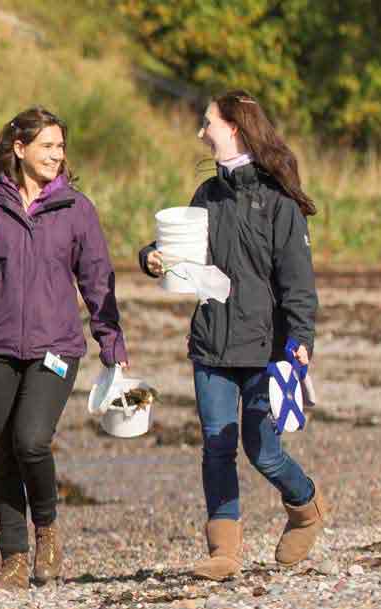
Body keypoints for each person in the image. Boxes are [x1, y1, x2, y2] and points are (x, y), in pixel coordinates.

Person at [0, 107, 128, 590]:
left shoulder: (77, 210)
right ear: (19, 149)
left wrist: (111, 341)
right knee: (2, 453)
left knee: (30, 440)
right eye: (47, 145)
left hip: (57, 347)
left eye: (60, 147)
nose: (56, 155)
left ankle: (47, 529)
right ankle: (13, 559)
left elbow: (97, 279)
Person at [139, 90, 326, 581]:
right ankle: (224, 550)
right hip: (211, 345)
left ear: (235, 129)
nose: (202, 132)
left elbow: (299, 286)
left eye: (208, 123)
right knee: (216, 447)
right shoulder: (206, 196)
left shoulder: (279, 203)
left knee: (262, 451)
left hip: (267, 350)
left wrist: (300, 343)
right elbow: (180, 256)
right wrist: (152, 258)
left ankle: (305, 505)